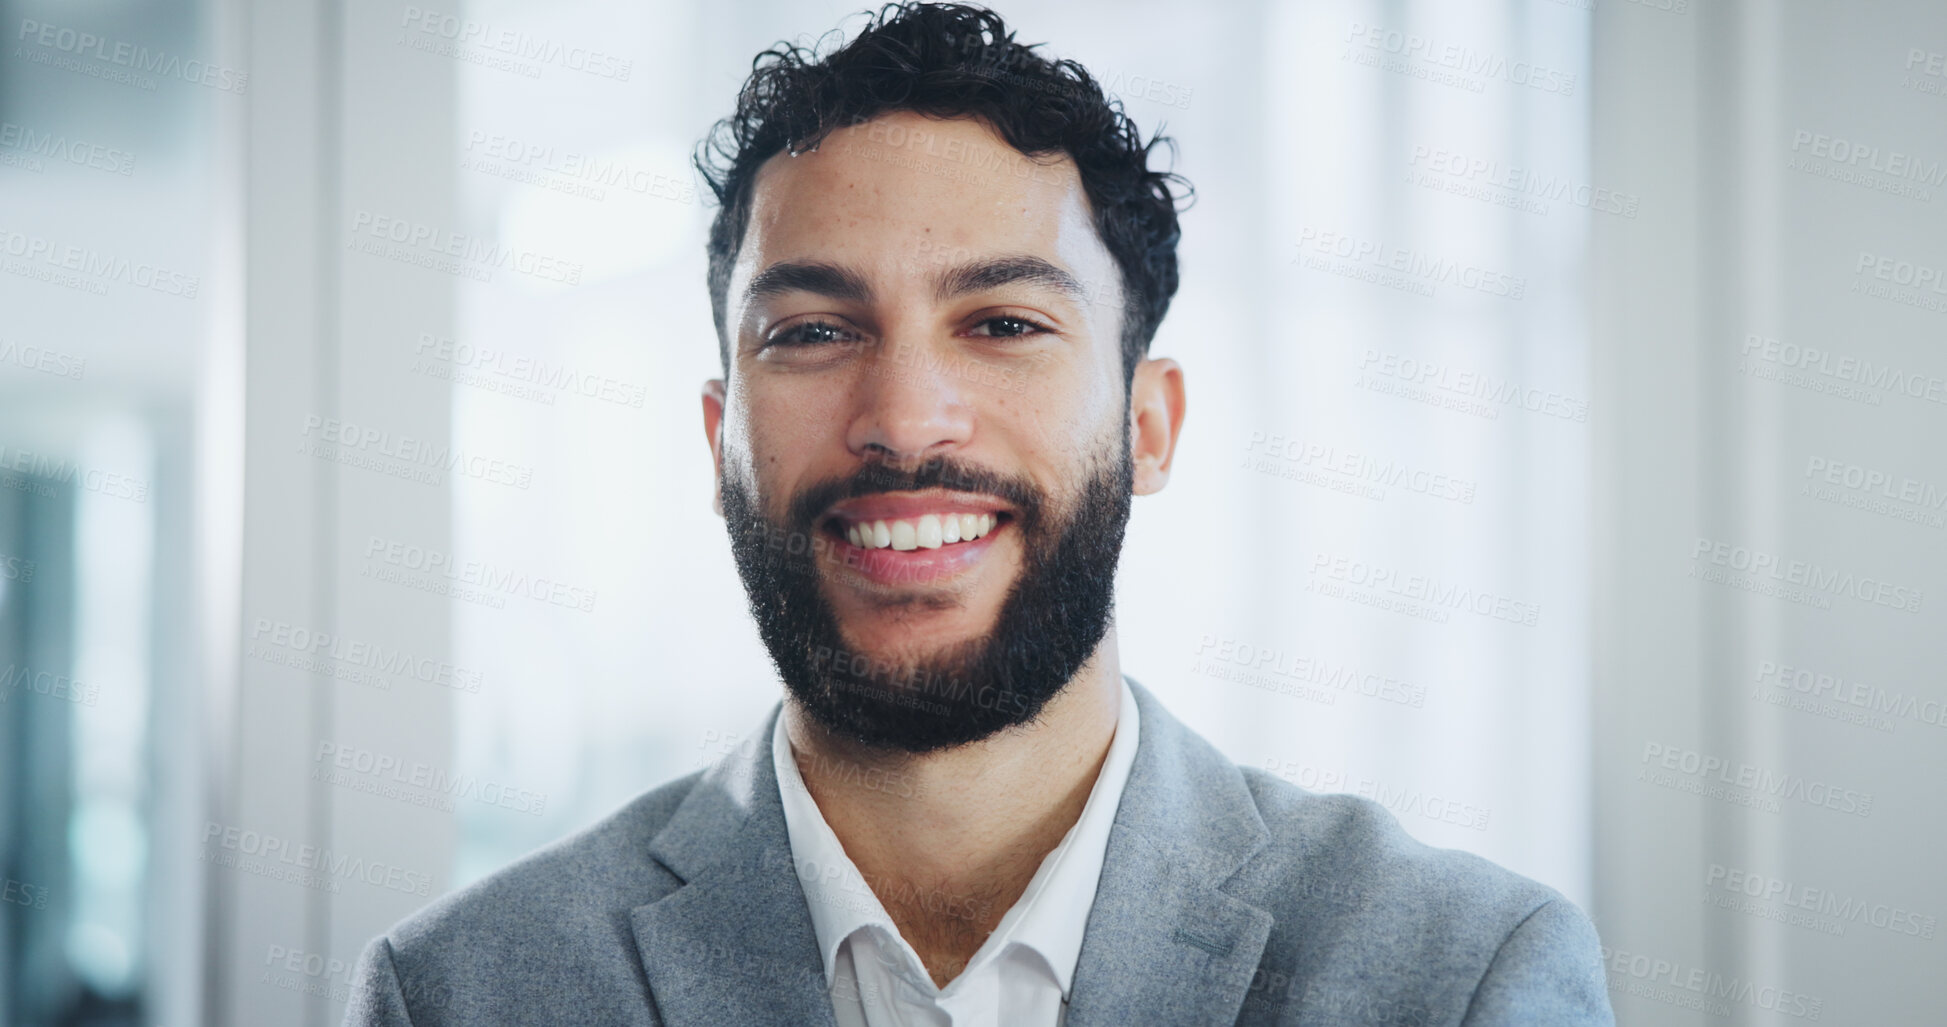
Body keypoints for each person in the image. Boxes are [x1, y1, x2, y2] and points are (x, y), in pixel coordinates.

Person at [345, 4, 1613, 1024]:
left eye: (1004, 323)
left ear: (1150, 424)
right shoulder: (465, 992)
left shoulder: (1458, 981)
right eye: (814, 331)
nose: (906, 417)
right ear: (717, 433)